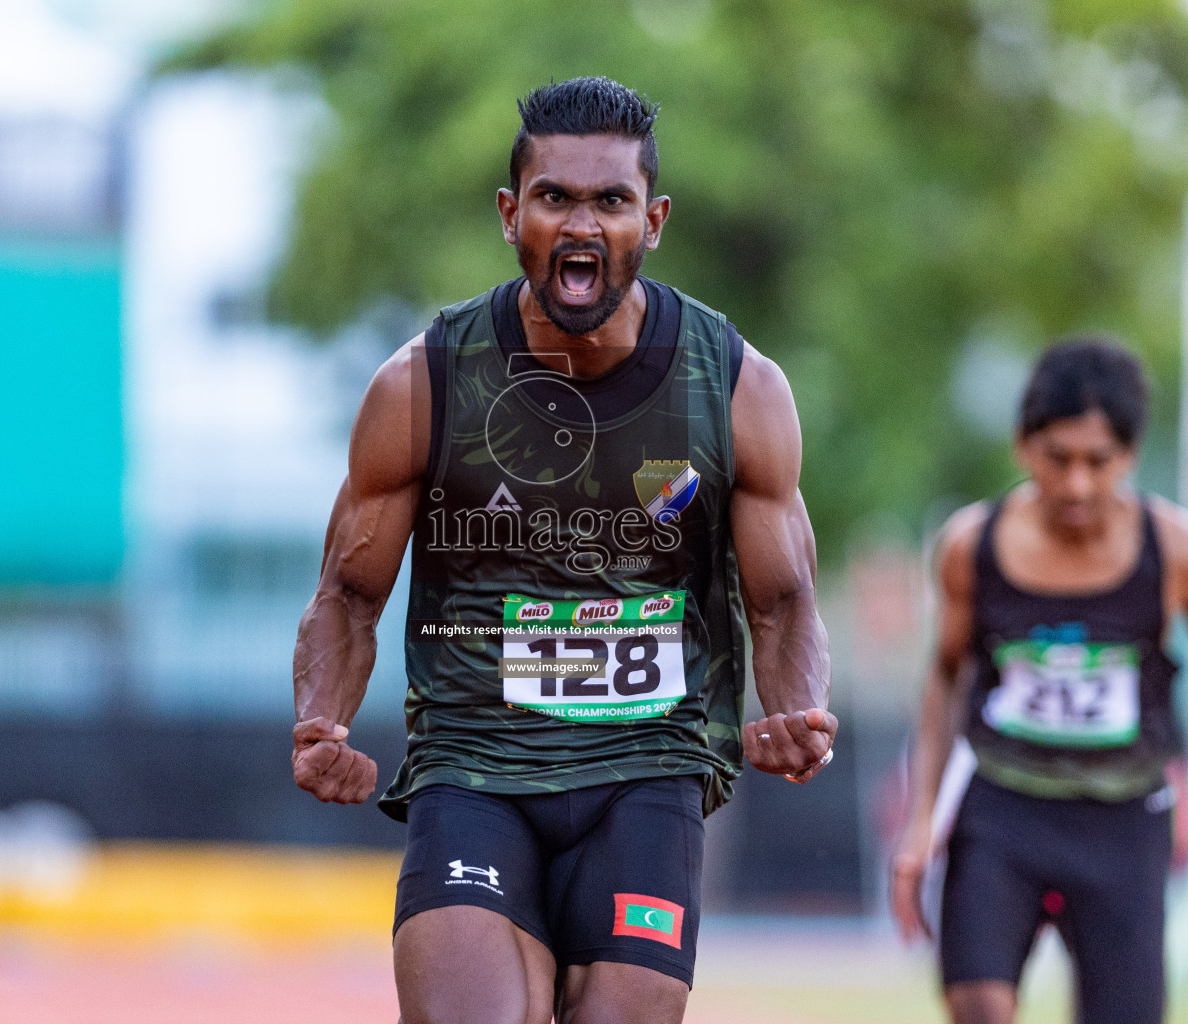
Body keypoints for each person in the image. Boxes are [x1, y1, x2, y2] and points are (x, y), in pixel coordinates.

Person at [288, 76, 835, 1024]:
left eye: (612, 201)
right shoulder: (422, 386)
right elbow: (347, 590)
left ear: (653, 220)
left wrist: (795, 709)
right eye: (555, 198)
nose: (583, 225)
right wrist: (320, 722)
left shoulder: (737, 385)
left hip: (647, 769)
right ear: (512, 214)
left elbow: (782, 600)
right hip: (473, 766)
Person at [891, 338, 1188, 1024]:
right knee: (977, 1007)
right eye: (1058, 458)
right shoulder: (970, 547)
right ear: (1022, 446)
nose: (1076, 484)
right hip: (1003, 809)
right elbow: (945, 675)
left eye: (1098, 463)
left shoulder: (1183, 552)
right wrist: (923, 819)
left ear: (1129, 456)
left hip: (1124, 820)